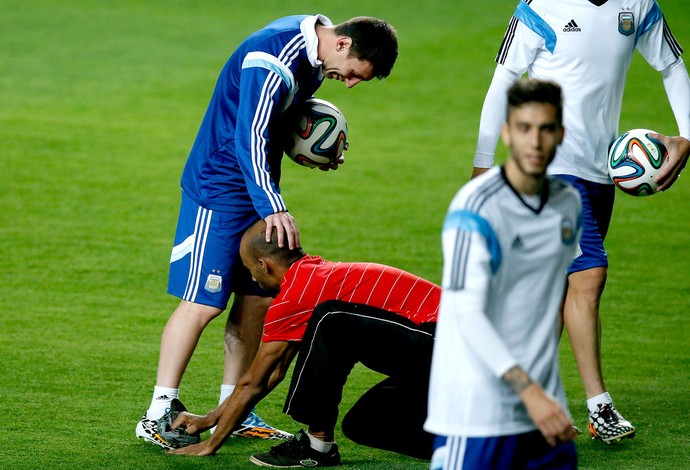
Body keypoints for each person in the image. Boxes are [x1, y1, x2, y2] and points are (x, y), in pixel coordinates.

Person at [136, 14, 399, 449]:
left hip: (258, 191)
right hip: (218, 190)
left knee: (256, 300)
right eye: (353, 74)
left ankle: (233, 410)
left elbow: (281, 120)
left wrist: (315, 146)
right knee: (203, 302)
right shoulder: (272, 57)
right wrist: (274, 206)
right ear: (343, 44)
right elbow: (250, 135)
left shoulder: (315, 54)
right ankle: (159, 411)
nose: (349, 84)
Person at [470, 0, 690, 443]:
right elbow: (505, 77)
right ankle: (599, 407)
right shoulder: (541, 7)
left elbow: (671, 65)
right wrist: (482, 163)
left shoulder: (639, 4)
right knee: (589, 275)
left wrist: (687, 136)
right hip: (547, 165)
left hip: (599, 170)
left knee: (557, 290)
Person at [166, 219, 440, 466]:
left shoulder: (298, 294)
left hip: (453, 340)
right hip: (441, 357)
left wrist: (211, 444)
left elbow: (254, 381)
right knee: (363, 424)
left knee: (332, 320)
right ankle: (466, 449)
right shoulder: (313, 279)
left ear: (265, 265)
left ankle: (317, 445)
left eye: (251, 270)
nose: (252, 278)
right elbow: (271, 374)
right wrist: (210, 419)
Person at [425, 79, 581, 469]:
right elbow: (465, 313)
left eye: (546, 129)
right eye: (524, 129)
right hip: (477, 414)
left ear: (561, 133)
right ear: (506, 132)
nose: (536, 142)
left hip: (545, 410)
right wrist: (528, 391)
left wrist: (542, 395)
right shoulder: (476, 208)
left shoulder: (568, 204)